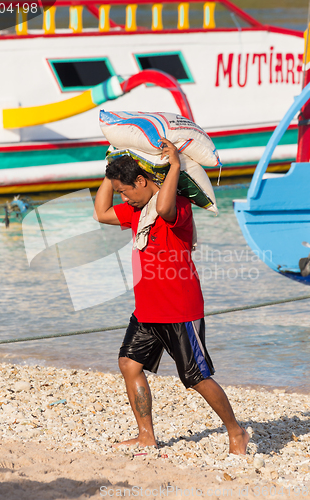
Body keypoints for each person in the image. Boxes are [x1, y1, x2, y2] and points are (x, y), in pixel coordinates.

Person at [93, 138, 249, 455]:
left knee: (196, 378)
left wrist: (175, 164)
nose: (122, 197)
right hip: (147, 310)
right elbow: (101, 212)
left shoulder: (178, 206)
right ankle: (146, 435)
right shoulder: (135, 211)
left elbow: (162, 206)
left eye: (126, 190)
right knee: (128, 364)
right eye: (119, 191)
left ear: (142, 181)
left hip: (179, 309)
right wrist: (112, 171)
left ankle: (236, 432)